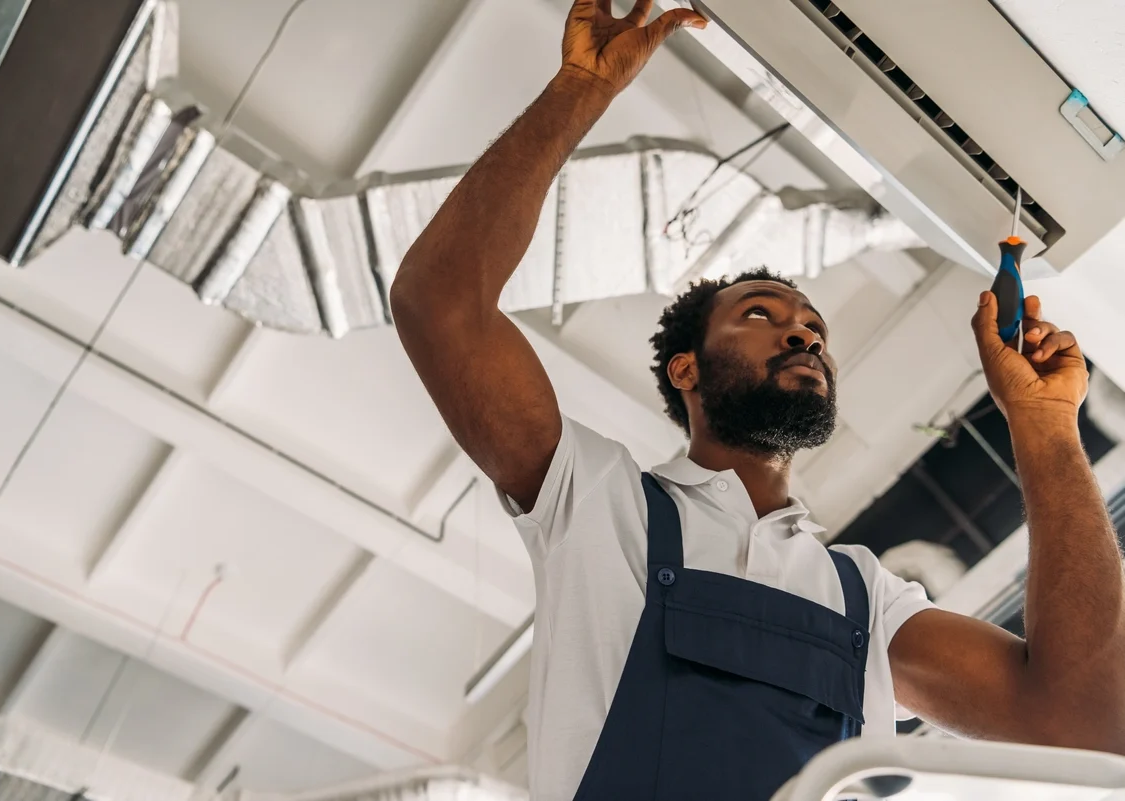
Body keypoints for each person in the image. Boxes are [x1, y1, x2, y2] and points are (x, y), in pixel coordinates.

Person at [389, 1, 1125, 799]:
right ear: (685, 371)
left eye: (811, 326)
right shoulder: (595, 501)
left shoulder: (865, 598)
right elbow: (443, 303)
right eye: (761, 315)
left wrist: (1046, 424)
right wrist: (581, 88)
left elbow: (1081, 720)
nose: (803, 335)